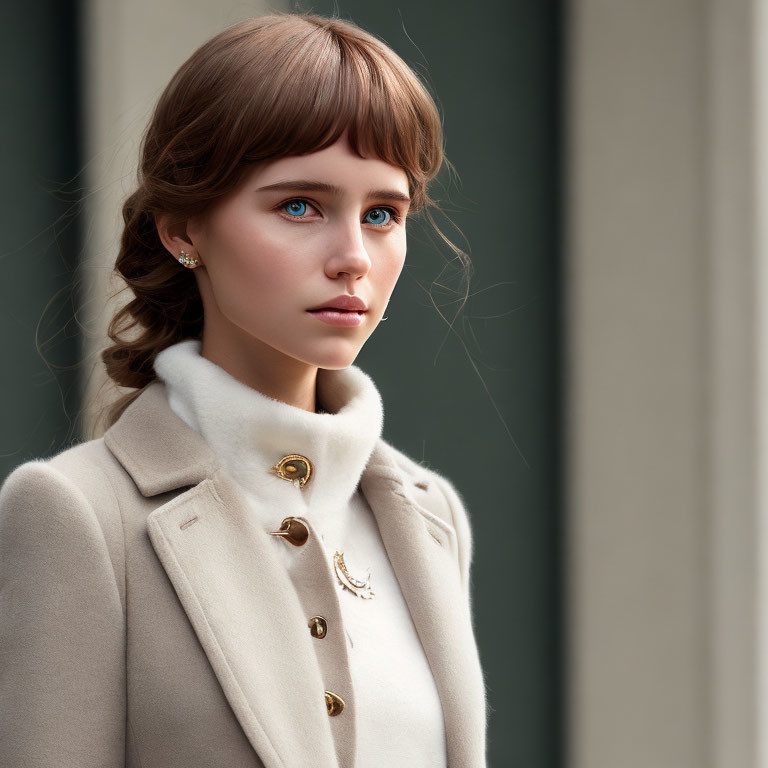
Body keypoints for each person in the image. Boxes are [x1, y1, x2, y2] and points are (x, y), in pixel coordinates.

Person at [0, 12, 488, 768]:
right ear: (183, 229)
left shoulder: (428, 515)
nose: (353, 257)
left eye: (383, 214)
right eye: (300, 205)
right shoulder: (76, 517)